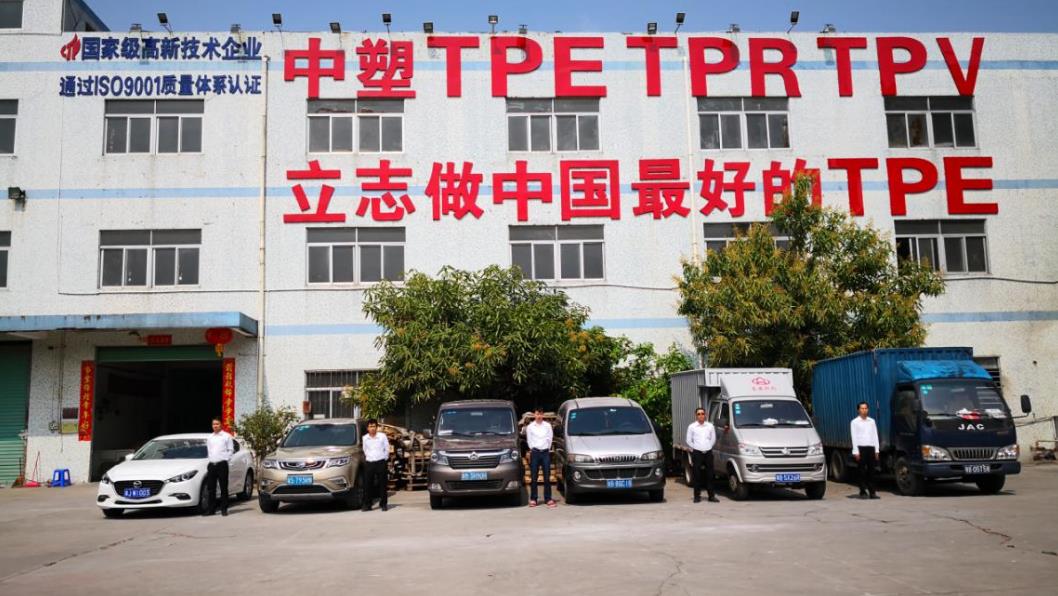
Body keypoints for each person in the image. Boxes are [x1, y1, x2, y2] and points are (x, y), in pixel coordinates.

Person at [686, 407, 718, 503]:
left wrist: (708, 446)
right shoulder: (692, 427)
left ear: (705, 415)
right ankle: (697, 496)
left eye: (702, 414)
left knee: (710, 475)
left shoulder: (710, 426)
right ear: (696, 416)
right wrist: (696, 447)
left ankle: (711, 496)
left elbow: (713, 439)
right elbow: (688, 440)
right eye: (699, 414)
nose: (701, 415)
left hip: (708, 452)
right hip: (697, 453)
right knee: (697, 475)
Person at [525, 408, 555, 508]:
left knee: (547, 476)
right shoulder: (530, 427)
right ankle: (533, 499)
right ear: (534, 415)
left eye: (540, 414)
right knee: (534, 477)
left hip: (545, 452)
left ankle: (548, 498)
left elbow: (550, 438)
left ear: (543, 415)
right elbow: (529, 440)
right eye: (537, 414)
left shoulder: (547, 426)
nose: (539, 416)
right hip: (535, 453)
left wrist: (547, 448)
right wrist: (533, 449)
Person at [204, 417, 234, 516]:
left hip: (222, 465)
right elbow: (209, 450)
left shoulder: (226, 436)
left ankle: (224, 509)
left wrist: (225, 459)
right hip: (212, 465)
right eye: (213, 424)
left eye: (217, 424)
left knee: (223, 487)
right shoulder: (210, 437)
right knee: (211, 488)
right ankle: (211, 509)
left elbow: (231, 450)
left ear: (221, 425)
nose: (215, 426)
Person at [851, 401, 880, 499]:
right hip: (861, 448)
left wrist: (877, 450)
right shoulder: (854, 422)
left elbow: (875, 435)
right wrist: (856, 451)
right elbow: (854, 437)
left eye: (866, 408)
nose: (864, 410)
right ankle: (862, 491)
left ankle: (872, 492)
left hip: (871, 448)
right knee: (861, 471)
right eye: (862, 408)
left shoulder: (871, 421)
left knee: (872, 471)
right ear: (858, 410)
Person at [361, 419, 390, 512]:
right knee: (368, 484)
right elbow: (365, 449)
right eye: (370, 427)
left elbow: (387, 448)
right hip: (370, 462)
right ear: (367, 428)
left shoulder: (382, 436)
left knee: (382, 484)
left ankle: (383, 504)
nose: (372, 428)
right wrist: (369, 457)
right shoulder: (365, 438)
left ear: (377, 427)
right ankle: (367, 504)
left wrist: (384, 458)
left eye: (374, 426)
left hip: (381, 462)